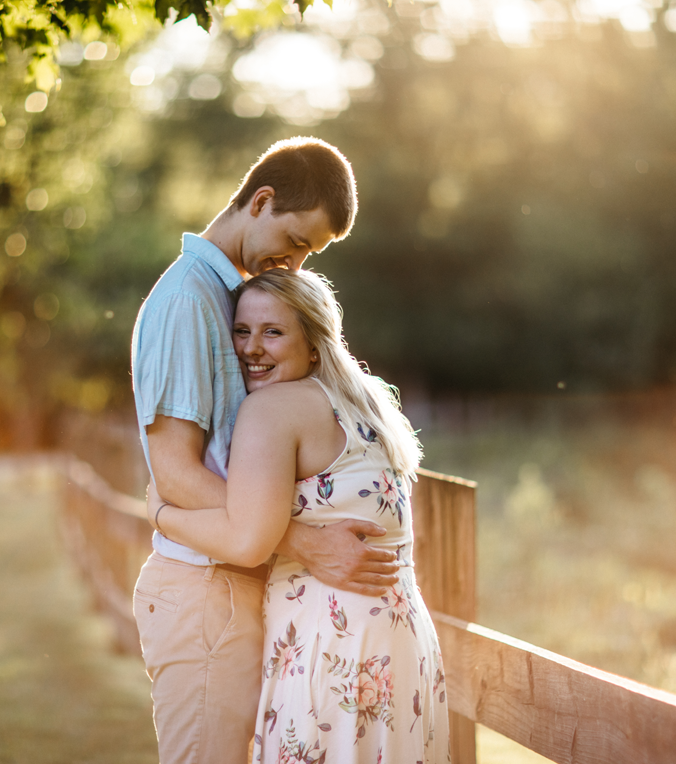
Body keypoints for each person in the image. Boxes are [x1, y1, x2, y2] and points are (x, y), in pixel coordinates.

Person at [130, 137, 401, 764]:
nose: (299, 263)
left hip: (236, 585)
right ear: (263, 200)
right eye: (300, 241)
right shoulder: (187, 300)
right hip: (207, 587)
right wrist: (303, 542)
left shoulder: (225, 296)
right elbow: (174, 473)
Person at [149, 268, 450, 763]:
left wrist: (162, 512)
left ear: (313, 345)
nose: (251, 348)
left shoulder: (273, 410)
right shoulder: (365, 404)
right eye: (242, 332)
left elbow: (246, 541)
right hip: (399, 644)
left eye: (273, 332)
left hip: (331, 650)